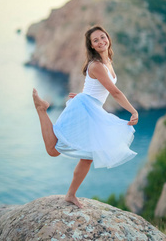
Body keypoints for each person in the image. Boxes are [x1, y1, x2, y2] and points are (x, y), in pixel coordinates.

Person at [32, 25, 139, 209]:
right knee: (53, 149)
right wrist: (133, 111)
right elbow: (114, 92)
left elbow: (94, 87)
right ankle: (42, 109)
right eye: (95, 40)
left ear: (108, 38)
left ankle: (70, 195)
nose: (100, 42)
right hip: (85, 109)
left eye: (102, 37)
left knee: (88, 156)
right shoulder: (97, 65)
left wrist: (82, 95)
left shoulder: (108, 62)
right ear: (91, 46)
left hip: (90, 108)